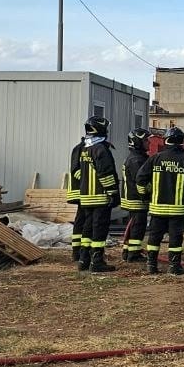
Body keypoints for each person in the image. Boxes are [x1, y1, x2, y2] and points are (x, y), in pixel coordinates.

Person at [136, 126, 184, 276]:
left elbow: (140, 178)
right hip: (177, 210)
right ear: (181, 143)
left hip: (157, 208)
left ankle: (151, 265)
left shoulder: (155, 158)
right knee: (175, 238)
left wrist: (144, 195)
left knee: (154, 237)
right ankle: (174, 266)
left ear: (166, 141)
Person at [75, 116, 121, 272]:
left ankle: (83, 260)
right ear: (101, 129)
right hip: (100, 196)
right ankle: (97, 262)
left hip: (86, 197)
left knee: (87, 229)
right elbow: (106, 173)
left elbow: (80, 173)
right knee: (99, 230)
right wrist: (113, 192)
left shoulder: (84, 149)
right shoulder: (100, 149)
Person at [121, 128, 153, 262]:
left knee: (133, 225)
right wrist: (151, 190)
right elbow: (141, 181)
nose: (149, 143)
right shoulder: (137, 160)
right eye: (146, 140)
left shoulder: (138, 157)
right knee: (138, 226)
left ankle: (128, 251)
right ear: (137, 142)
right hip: (137, 199)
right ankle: (133, 254)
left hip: (134, 198)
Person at [67, 136, 85, 265]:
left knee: (82, 220)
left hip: (85, 191)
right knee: (81, 220)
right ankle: (77, 251)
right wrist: (88, 180)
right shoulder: (80, 149)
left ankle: (79, 251)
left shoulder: (87, 148)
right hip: (81, 191)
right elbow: (75, 170)